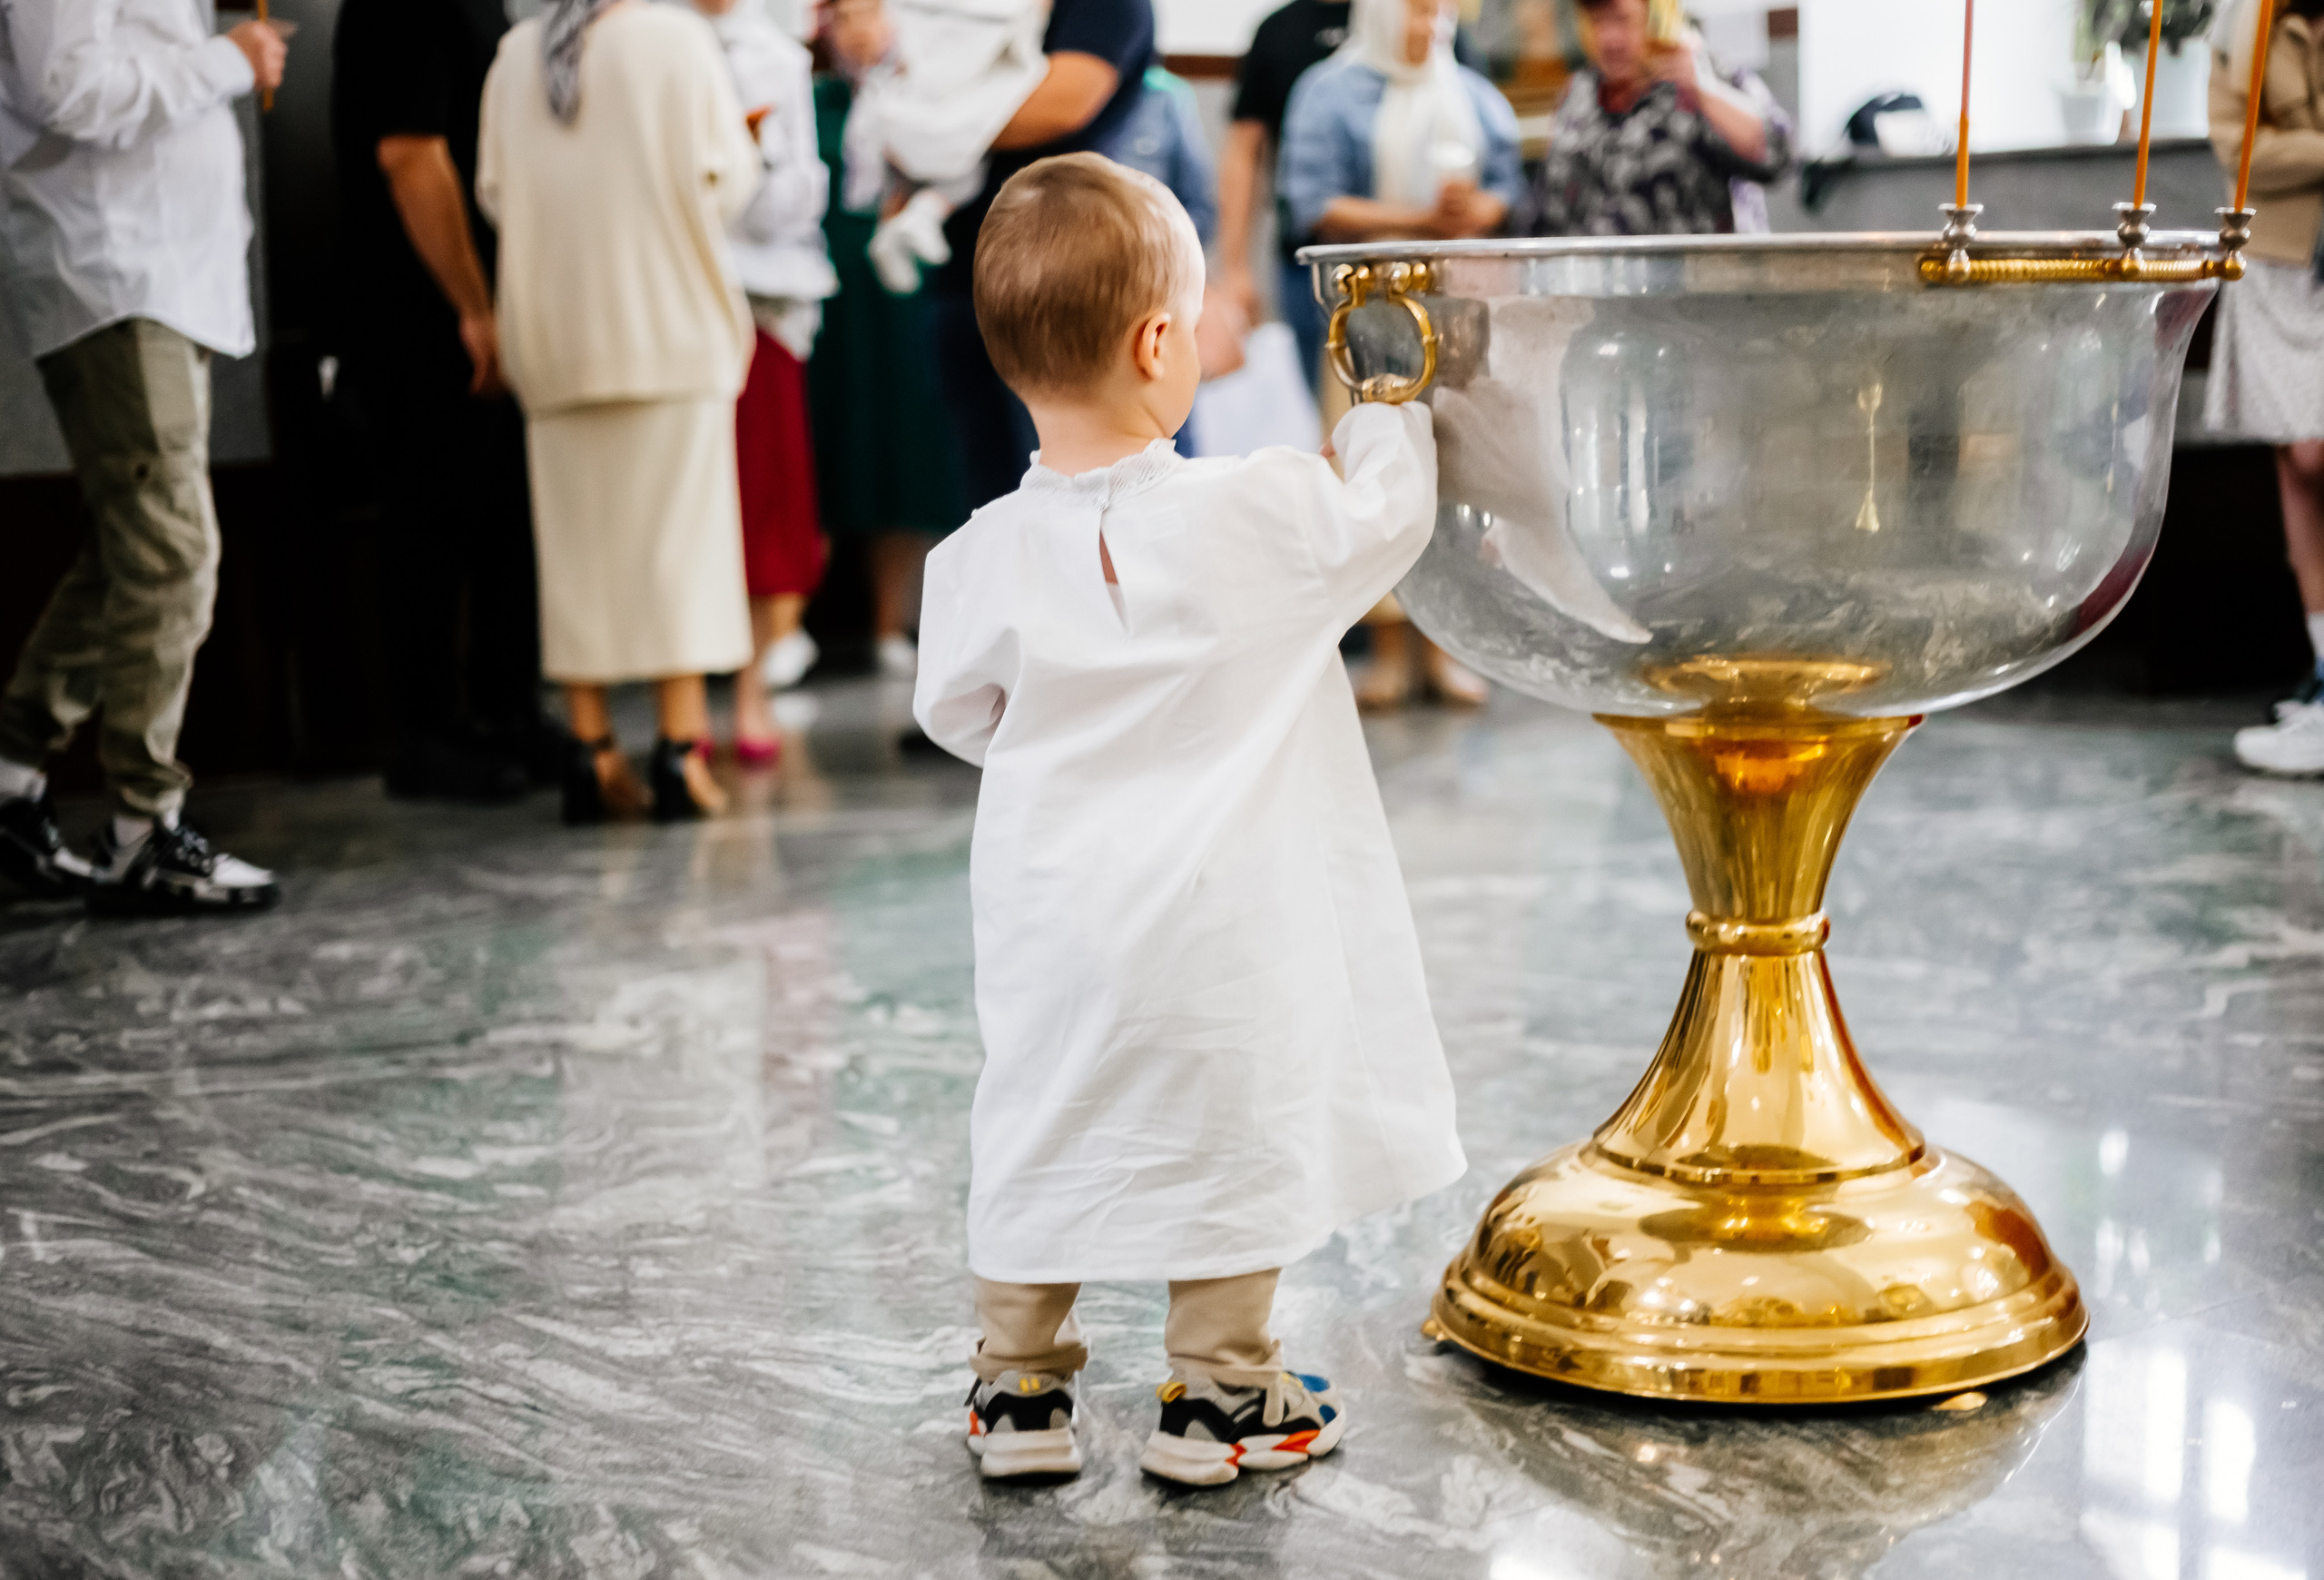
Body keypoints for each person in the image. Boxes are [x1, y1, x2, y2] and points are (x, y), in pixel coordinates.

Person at [913, 154, 1463, 1486]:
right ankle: (1222, 1396)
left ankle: (1019, 1394)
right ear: (1161, 343)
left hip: (1056, 924)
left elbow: (959, 714)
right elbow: (1387, 514)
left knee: (1039, 1116)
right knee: (1229, 1130)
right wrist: (1387, 392)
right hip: (1224, 931)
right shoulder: (1257, 509)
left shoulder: (976, 553)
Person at [0, 0, 285, 913]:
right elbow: (70, 88)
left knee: (135, 549)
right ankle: (141, 833)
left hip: (160, 276)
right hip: (118, 274)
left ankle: (7, 784)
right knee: (171, 554)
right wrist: (228, 61)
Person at [477, 0, 762, 823]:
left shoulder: (515, 56)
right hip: (668, 329)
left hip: (557, 339)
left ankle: (591, 749)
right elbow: (730, 181)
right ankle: (678, 751)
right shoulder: (678, 41)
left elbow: (495, 192)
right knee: (681, 553)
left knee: (577, 561)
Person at [333, 0, 565, 806]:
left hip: (483, 303)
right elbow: (410, 155)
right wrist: (473, 305)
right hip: (422, 312)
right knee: (430, 519)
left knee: (502, 511)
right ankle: (427, 734)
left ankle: (508, 713)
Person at [1278, 0, 1518, 709]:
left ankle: (1448, 648)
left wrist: (1481, 212)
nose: (1431, 25)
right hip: (1366, 314)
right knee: (1371, 470)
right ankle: (1386, 651)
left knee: (1456, 469)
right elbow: (1311, 201)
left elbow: (1507, 186)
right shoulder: (1328, 91)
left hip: (1457, 318)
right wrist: (1419, 220)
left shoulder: (1471, 94)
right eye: (1415, 10)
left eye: (1440, 11)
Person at [922, 0, 1156, 511]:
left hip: (1061, 279)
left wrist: (930, 128)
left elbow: (1064, 101)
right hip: (962, 270)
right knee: (986, 491)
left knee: (1066, 483)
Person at [689, 0, 837, 765]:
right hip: (676, 300)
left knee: (766, 504)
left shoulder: (776, 56)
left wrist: (737, 166)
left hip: (762, 300)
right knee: (689, 509)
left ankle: (750, 694)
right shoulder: (650, 43)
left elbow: (799, 197)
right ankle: (684, 709)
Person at [811, 0, 971, 681]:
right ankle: (803, 622)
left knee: (905, 444)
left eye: (872, 12)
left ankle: (886, 622)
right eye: (844, 15)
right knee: (825, 440)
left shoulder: (927, 97)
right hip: (827, 286)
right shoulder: (809, 101)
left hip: (903, 286)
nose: (860, 29)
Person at [2209, 0, 2324, 775]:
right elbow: (2239, 148)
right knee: (2303, 459)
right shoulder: (2244, 20)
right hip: (2282, 259)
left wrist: (2301, 146)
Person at [1521, 0, 1792, 237]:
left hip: (1698, 287)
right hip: (1592, 287)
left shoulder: (1702, 74)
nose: (1610, 39)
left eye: (1622, 20)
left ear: (1653, 17)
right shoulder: (1578, 93)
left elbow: (1778, 152)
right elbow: (1547, 209)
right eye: (1598, 22)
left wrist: (1704, 92)